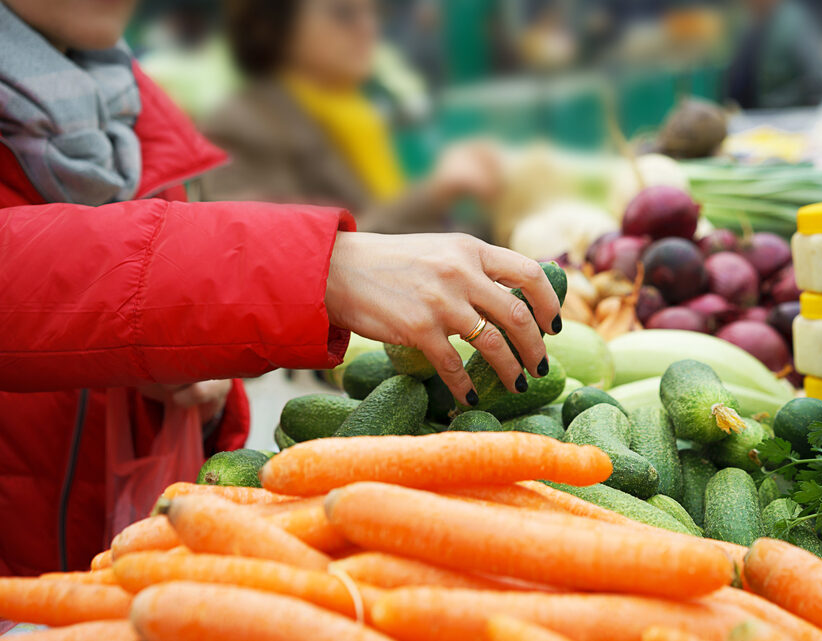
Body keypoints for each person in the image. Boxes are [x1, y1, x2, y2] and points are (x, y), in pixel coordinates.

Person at [0, 0, 559, 579]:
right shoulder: (246, 119)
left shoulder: (131, 112)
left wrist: (197, 374)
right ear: (278, 27)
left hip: (114, 571)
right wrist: (326, 265)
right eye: (343, 15)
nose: (367, 30)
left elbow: (125, 295)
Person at [199, 0, 501, 234]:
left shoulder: (362, 110)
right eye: (344, 14)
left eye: (373, 12)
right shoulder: (240, 125)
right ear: (270, 26)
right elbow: (308, 262)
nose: (369, 28)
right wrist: (436, 192)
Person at [727, 0, 822, 110]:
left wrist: (777, 103)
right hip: (754, 118)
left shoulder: (795, 23)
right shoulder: (753, 25)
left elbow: (817, 79)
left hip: (789, 116)